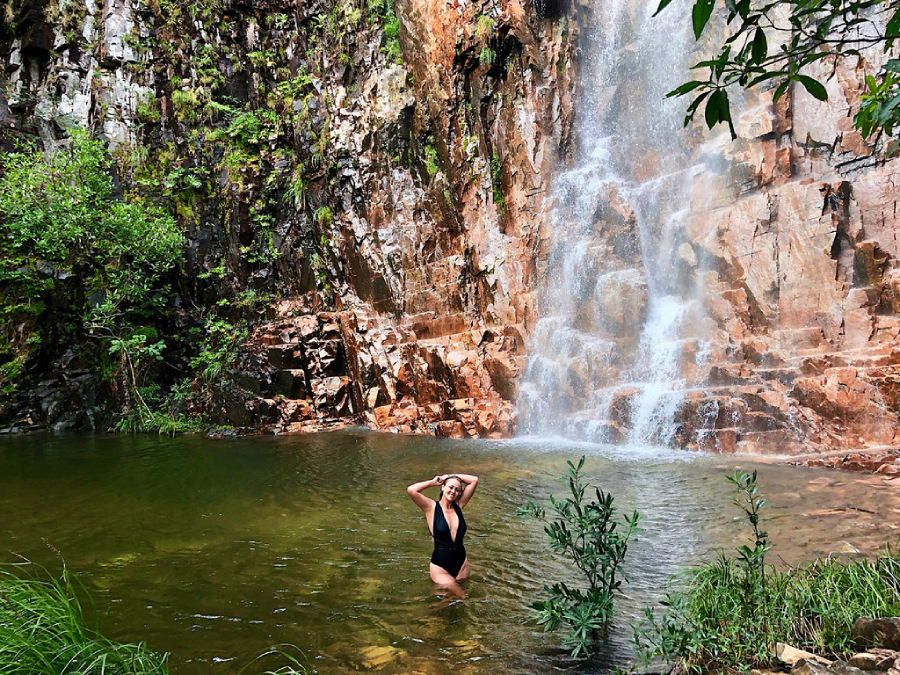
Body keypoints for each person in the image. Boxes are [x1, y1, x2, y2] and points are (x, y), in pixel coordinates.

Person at [406, 472, 479, 598]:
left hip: (462, 564)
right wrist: (434, 481)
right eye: (450, 487)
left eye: (457, 490)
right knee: (463, 596)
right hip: (440, 567)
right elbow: (411, 490)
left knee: (453, 600)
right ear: (443, 487)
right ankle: (432, 612)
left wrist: (452, 475)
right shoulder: (431, 507)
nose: (453, 491)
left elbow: (474, 480)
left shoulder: (459, 506)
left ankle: (436, 610)